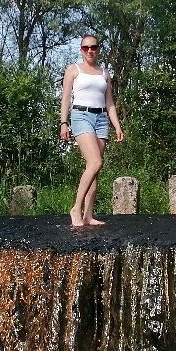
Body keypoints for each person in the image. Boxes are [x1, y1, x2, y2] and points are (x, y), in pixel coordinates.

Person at [59, 35, 124, 227]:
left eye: (93, 47)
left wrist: (117, 125)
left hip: (102, 119)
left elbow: (109, 102)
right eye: (86, 47)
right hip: (81, 116)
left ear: (98, 49)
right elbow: (65, 99)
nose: (90, 50)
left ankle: (88, 215)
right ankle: (75, 209)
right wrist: (63, 122)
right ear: (81, 49)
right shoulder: (73, 69)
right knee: (96, 162)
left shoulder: (104, 73)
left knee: (94, 169)